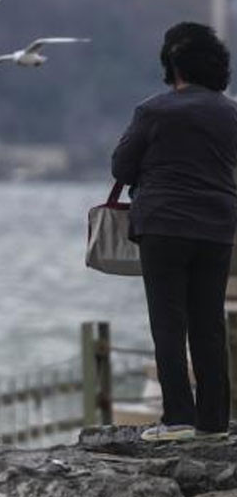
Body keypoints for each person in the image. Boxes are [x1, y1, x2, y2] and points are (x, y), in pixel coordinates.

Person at [112, 22, 237, 442]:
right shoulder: (232, 112)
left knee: (169, 323)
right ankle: (215, 422)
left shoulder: (154, 111)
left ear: (174, 66)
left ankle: (178, 418)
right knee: (209, 323)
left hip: (164, 226)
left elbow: (121, 167)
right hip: (218, 226)